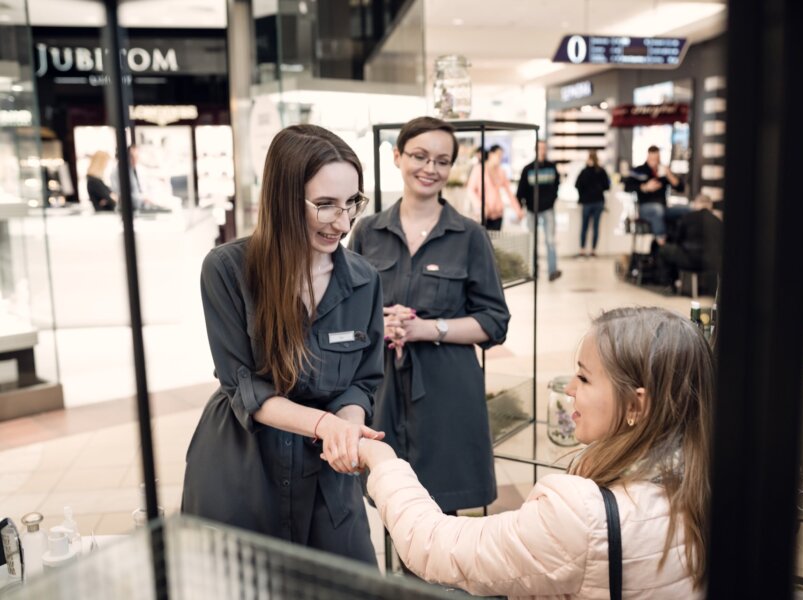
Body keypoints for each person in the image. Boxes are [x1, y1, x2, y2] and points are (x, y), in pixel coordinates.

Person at [353, 307, 711, 599]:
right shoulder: (703, 481)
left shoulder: (582, 517)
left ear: (636, 403)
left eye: (584, 379)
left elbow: (433, 545)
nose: (569, 389)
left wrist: (382, 461)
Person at [181, 124, 386, 564]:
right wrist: (325, 425)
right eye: (325, 205)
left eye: (353, 203)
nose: (344, 222)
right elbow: (244, 388)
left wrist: (347, 427)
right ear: (283, 199)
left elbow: (363, 382)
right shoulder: (227, 270)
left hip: (326, 477)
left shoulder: (364, 280)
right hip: (243, 468)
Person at [349, 116, 511, 515]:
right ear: (397, 156)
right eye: (419, 156)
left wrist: (428, 328)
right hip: (381, 386)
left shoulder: (469, 235)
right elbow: (343, 314)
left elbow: (494, 321)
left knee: (440, 511)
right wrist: (377, 325)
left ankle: (439, 583)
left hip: (447, 389)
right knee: (390, 499)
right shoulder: (368, 232)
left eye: (442, 160)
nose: (430, 169)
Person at [657, 194, 724, 293]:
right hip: (712, 263)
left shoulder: (687, 217)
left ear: (696, 204)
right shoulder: (718, 222)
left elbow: (677, 240)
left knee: (664, 249)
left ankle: (669, 284)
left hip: (689, 261)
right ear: (710, 205)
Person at [516, 140, 562, 281]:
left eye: (544, 148)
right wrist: (521, 207)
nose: (542, 150)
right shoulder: (527, 169)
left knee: (550, 240)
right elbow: (521, 191)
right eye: (540, 148)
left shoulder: (552, 167)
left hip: (548, 209)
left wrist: (552, 200)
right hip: (531, 210)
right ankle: (532, 271)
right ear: (536, 150)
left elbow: (557, 186)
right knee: (532, 241)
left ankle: (552, 271)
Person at [624, 145, 687, 239]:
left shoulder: (663, 172)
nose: (654, 162)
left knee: (687, 210)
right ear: (648, 157)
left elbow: (680, 188)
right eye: (652, 159)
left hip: (663, 206)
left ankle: (680, 240)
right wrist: (645, 187)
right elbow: (627, 187)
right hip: (644, 207)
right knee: (657, 210)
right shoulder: (639, 171)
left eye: (656, 159)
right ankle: (661, 241)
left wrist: (669, 175)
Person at [466, 144, 524, 230]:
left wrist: (518, 210)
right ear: (490, 154)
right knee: (482, 240)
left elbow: (509, 193)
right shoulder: (479, 169)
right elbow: (470, 190)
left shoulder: (501, 171)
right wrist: (480, 206)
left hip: (498, 214)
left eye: (501, 156)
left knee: (495, 242)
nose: (499, 158)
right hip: (483, 215)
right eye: (498, 155)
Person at [574, 150, 611, 257]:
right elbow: (607, 186)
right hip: (598, 202)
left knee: (585, 227)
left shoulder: (584, 171)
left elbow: (577, 185)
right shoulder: (601, 171)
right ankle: (593, 251)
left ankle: (582, 250)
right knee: (595, 227)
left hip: (587, 202)